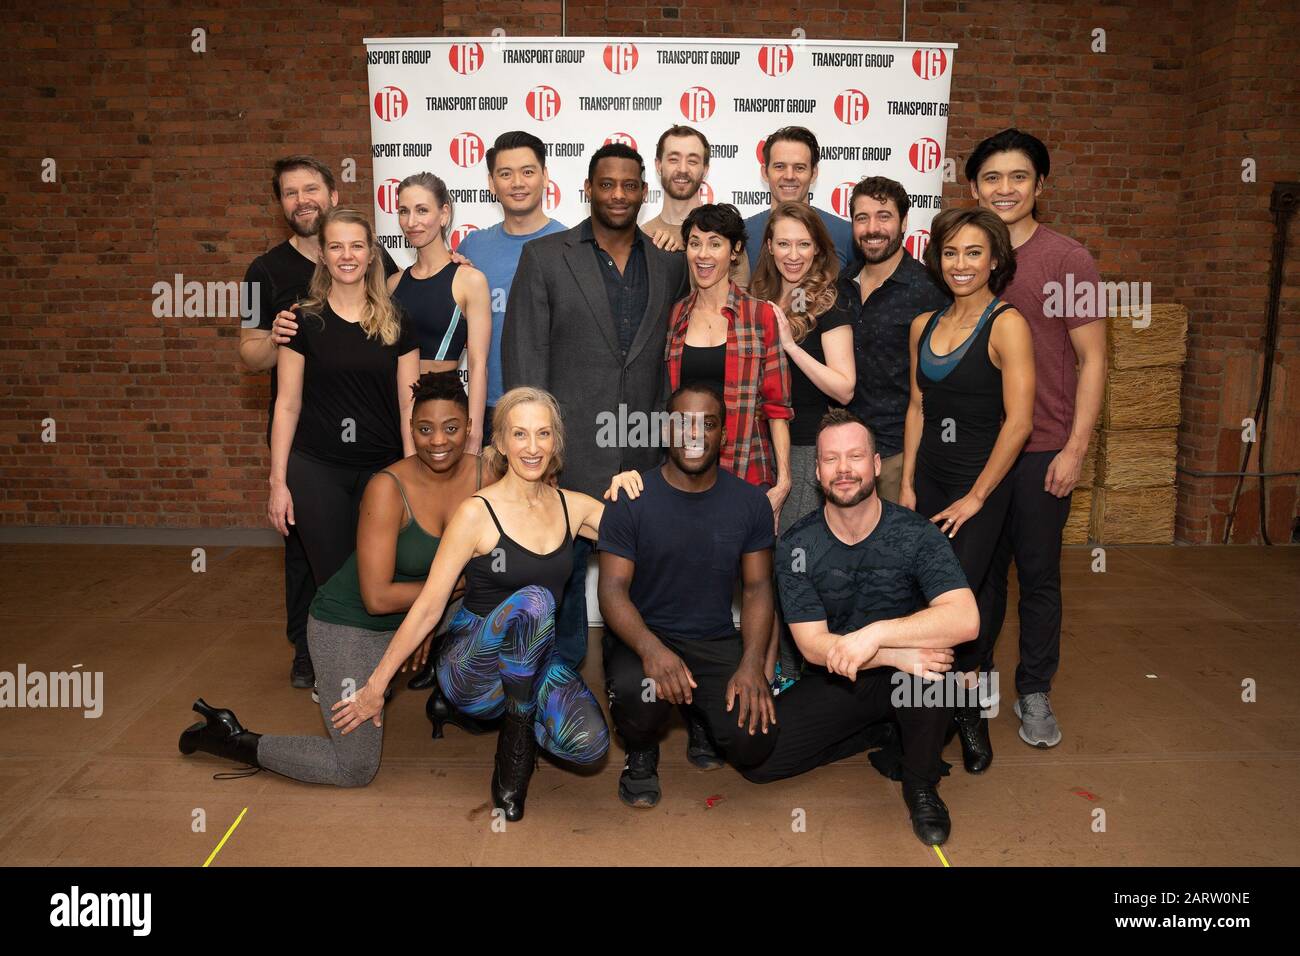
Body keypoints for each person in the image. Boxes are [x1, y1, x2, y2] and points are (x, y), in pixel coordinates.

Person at [179, 372, 488, 785]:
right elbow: (377, 598)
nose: (437, 441)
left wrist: (431, 620)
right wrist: (452, 591)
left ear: (469, 428)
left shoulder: (488, 474)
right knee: (353, 768)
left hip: (422, 612)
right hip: (353, 624)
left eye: (451, 428)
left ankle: (462, 698)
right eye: (424, 429)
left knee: (513, 603)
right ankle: (231, 737)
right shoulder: (387, 487)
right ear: (410, 429)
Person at [330, 387, 613, 821]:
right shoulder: (476, 513)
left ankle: (523, 718)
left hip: (529, 664)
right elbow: (428, 606)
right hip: (471, 668)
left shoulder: (572, 507)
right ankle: (512, 757)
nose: (532, 447)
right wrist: (375, 687)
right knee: (536, 600)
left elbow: (644, 534)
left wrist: (633, 487)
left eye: (542, 434)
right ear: (499, 442)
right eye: (519, 434)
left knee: (590, 743)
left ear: (555, 441)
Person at [743, 410, 980, 847]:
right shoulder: (797, 545)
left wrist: (875, 635)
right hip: (840, 676)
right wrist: (891, 652)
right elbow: (814, 646)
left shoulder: (916, 534)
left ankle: (922, 783)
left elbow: (966, 619)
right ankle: (880, 730)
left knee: (932, 675)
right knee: (761, 765)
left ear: (875, 464)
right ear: (816, 472)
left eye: (855, 456)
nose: (844, 469)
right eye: (831, 459)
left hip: (910, 676)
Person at [502, 142, 688, 670]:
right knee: (555, 597)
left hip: (645, 462)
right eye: (607, 184)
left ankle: (635, 695)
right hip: (569, 460)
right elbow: (524, 368)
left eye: (630, 186)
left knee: (645, 593)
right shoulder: (545, 257)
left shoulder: (669, 265)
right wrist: (537, 459)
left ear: (644, 193)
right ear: (587, 189)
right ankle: (551, 703)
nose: (618, 195)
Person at [968, 129, 1107, 748]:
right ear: (973, 186)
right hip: (974, 448)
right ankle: (978, 680)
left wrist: (1076, 448)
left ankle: (1034, 690)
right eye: (992, 178)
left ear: (1040, 186)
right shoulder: (965, 253)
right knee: (978, 574)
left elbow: (1094, 358)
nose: (1004, 189)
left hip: (1043, 447)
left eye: (1017, 177)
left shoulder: (1067, 259)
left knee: (1039, 574)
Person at [238, 156, 399, 688]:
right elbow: (249, 353)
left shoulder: (373, 260)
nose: (301, 199)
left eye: (311, 189)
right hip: (308, 434)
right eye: (289, 192)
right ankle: (313, 651)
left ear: (333, 195)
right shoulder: (265, 272)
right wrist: (281, 334)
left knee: (373, 552)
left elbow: (405, 305)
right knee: (306, 555)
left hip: (374, 441)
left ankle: (381, 651)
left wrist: (451, 266)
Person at [901, 207, 1035, 773]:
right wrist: (906, 483)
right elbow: (917, 407)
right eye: (951, 252)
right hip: (928, 480)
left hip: (981, 486)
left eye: (974, 253)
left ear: (995, 260)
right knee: (922, 595)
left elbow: (1020, 422)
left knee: (964, 600)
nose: (961, 264)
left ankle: (967, 712)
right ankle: (924, 714)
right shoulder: (922, 325)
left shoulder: (1008, 324)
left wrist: (978, 497)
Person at [598, 384, 777, 807]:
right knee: (637, 696)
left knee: (755, 743)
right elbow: (611, 589)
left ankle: (700, 715)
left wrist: (752, 664)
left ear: (723, 435)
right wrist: (651, 650)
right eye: (683, 423)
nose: (695, 434)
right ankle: (642, 748)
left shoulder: (750, 503)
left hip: (712, 639)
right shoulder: (632, 499)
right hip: (643, 636)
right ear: (665, 430)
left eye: (708, 424)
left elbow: (758, 588)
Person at [266, 207, 419, 686]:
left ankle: (371, 670)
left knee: (373, 576)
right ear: (323, 255)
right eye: (336, 246)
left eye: (356, 245)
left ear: (372, 251)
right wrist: (277, 482)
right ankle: (328, 668)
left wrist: (414, 476)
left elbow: (408, 407)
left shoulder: (396, 320)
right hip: (316, 469)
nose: (347, 255)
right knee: (332, 578)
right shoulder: (301, 320)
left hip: (381, 471)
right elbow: (286, 405)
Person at [749, 200, 857, 687]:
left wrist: (787, 343)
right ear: (768, 247)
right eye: (784, 243)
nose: (793, 254)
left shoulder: (831, 302)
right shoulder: (755, 296)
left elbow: (844, 387)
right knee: (763, 564)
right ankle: (769, 664)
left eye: (804, 244)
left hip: (809, 449)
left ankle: (797, 671)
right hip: (760, 448)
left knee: (799, 564)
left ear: (819, 249)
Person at [666, 203, 793, 523]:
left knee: (745, 572)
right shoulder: (675, 316)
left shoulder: (760, 315)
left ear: (735, 250)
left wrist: (783, 481)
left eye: (715, 243)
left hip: (746, 471)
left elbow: (777, 406)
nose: (703, 254)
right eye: (695, 243)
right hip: (685, 474)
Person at [842, 176, 951, 504]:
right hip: (843, 450)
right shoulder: (840, 284)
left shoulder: (929, 291)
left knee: (894, 552)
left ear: (904, 222)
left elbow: (941, 384)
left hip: (897, 456)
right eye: (862, 218)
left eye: (883, 216)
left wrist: (911, 474)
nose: (872, 228)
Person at [456, 132, 567, 444]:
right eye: (506, 174)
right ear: (492, 183)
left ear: (545, 177)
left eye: (528, 172)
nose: (517, 183)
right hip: (486, 409)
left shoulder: (571, 247)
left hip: (549, 410)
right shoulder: (472, 249)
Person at [389, 172, 491, 455]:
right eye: (404, 211)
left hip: (444, 410)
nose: (412, 222)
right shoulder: (392, 284)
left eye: (422, 210)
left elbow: (479, 363)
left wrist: (475, 431)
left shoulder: (470, 280)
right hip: (394, 411)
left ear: (444, 213)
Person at [640, 124, 749, 286]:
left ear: (705, 170)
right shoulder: (645, 236)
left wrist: (681, 260)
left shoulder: (724, 231)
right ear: (658, 165)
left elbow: (739, 306)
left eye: (692, 161)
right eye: (673, 159)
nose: (682, 169)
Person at [742, 126, 856, 274]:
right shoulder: (743, 234)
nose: (789, 176)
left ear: (813, 173)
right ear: (765, 172)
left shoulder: (845, 234)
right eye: (780, 166)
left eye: (799, 168)